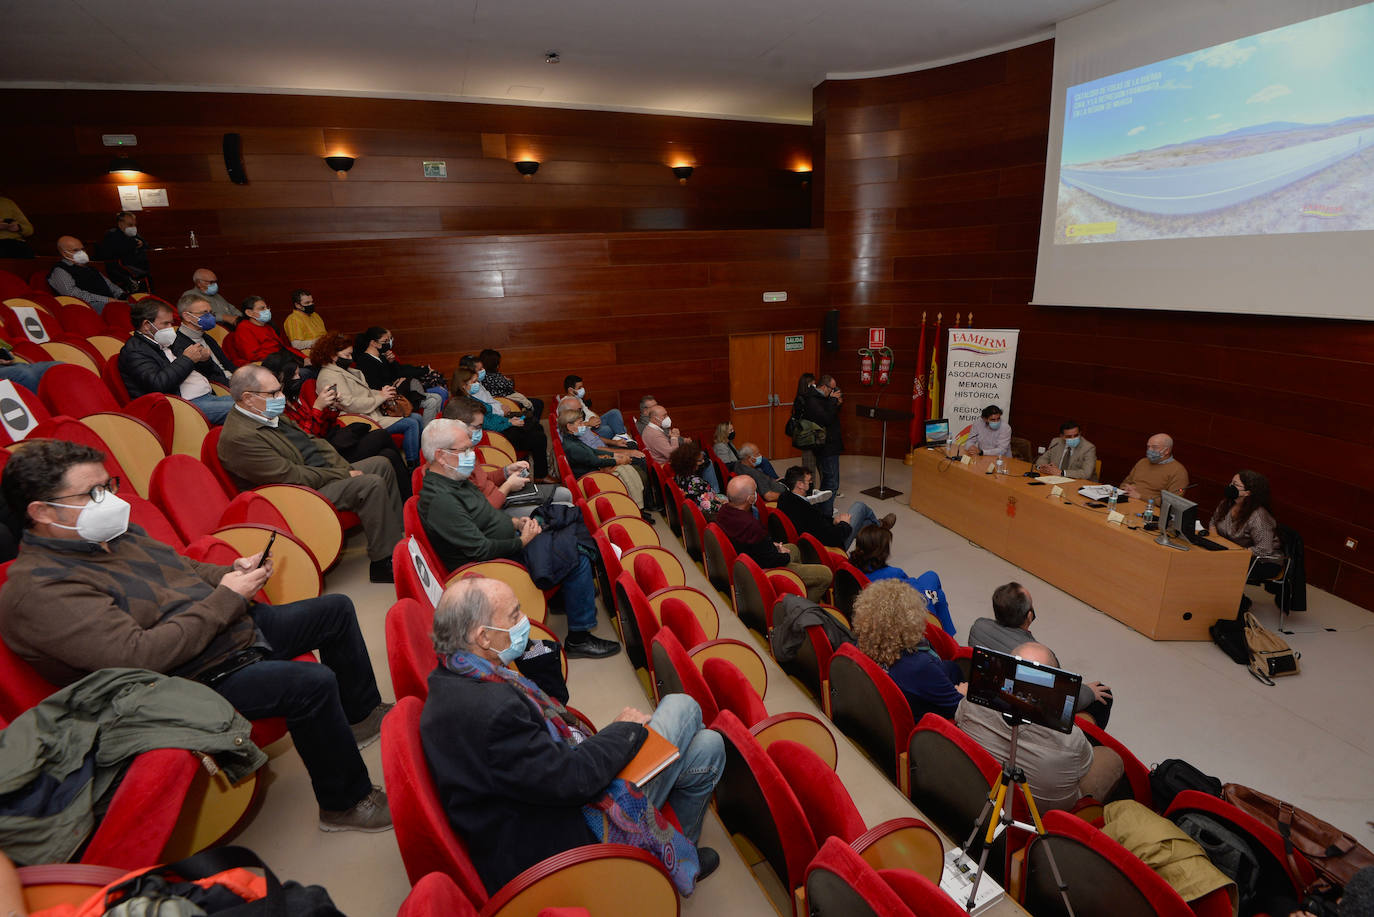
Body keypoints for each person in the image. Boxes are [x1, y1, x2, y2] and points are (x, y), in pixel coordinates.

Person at [0, 439, 393, 832]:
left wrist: (230, 573)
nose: (111, 501)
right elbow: (140, 657)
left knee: (334, 610)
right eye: (94, 493)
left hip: (218, 633)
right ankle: (345, 803)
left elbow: (180, 567)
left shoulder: (108, 534)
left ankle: (359, 715)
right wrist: (227, 599)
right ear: (42, 511)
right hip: (177, 680)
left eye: (110, 485)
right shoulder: (39, 589)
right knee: (312, 682)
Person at [420, 577, 722, 894]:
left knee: (708, 747)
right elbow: (573, 780)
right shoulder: (493, 711)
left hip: (543, 794)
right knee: (682, 705)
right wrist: (625, 729)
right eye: (513, 615)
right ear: (482, 637)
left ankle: (669, 862)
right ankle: (652, 867)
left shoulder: (455, 676)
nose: (524, 621)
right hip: (567, 833)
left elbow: (545, 761)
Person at [418, 420, 619, 659]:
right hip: (495, 564)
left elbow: (487, 514)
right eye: (465, 450)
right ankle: (579, 637)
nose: (472, 455)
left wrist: (516, 523)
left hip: (508, 542)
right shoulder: (442, 500)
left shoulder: (454, 479)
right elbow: (480, 550)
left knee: (567, 527)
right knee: (575, 556)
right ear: (441, 456)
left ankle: (563, 596)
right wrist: (522, 541)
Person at [219, 365, 403, 583]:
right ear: (248, 398)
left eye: (280, 390)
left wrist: (343, 468)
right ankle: (383, 562)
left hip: (318, 474)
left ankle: (397, 541)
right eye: (273, 393)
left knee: (381, 464)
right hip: (297, 494)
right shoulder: (238, 438)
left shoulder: (265, 413)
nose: (281, 397)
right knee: (369, 483)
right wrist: (343, 475)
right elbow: (289, 476)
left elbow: (315, 442)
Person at [956, 642, 1125, 812]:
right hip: (1041, 815)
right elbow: (1084, 767)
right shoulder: (1071, 740)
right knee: (1111, 759)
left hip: (979, 790)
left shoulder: (970, 704)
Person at [263, 351, 410, 499]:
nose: (299, 378)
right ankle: (408, 495)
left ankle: (406, 499)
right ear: (281, 379)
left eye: (298, 373)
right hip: (321, 458)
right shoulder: (276, 409)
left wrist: (331, 408)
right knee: (381, 436)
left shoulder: (293, 400)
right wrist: (318, 408)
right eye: (294, 375)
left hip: (329, 444)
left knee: (388, 455)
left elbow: (324, 428)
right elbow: (307, 440)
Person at [966, 582, 1113, 727]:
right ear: (1029, 616)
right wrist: (1088, 692)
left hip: (989, 694)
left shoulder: (978, 627)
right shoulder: (1039, 655)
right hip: (1022, 714)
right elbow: (1058, 699)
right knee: (1104, 693)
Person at [853, 580, 967, 720]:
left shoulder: (861, 643)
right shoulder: (919, 666)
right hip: (923, 717)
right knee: (955, 669)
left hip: (888, 708)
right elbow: (960, 710)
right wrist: (962, 693)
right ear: (911, 620)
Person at [443, 396, 571, 513]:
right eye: (478, 427)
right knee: (567, 505)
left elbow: (482, 478)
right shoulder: (453, 463)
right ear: (458, 426)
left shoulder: (466, 450)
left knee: (565, 494)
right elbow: (481, 511)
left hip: (498, 493)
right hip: (497, 509)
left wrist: (506, 471)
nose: (481, 432)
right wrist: (508, 486)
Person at [118, 299, 236, 424]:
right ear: (147, 325)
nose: (171, 328)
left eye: (171, 323)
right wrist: (187, 359)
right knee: (246, 410)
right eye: (166, 324)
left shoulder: (166, 341)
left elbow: (202, 370)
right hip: (182, 405)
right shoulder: (134, 351)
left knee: (252, 402)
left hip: (207, 396)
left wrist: (204, 360)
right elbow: (158, 383)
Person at [314, 332, 424, 465]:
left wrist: (383, 393)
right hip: (358, 418)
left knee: (417, 418)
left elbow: (365, 392)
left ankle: (419, 458)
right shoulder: (329, 376)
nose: (351, 358)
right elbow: (348, 404)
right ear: (332, 356)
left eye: (351, 354)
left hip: (369, 412)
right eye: (347, 355)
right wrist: (381, 397)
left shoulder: (344, 370)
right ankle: (413, 464)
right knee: (411, 423)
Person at [716, 476, 832, 602]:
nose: (756, 494)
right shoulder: (751, 525)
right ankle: (802, 609)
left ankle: (793, 590)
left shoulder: (724, 511)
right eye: (755, 491)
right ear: (749, 499)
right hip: (761, 570)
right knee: (825, 574)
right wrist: (782, 554)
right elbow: (771, 560)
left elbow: (755, 544)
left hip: (749, 557)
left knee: (793, 548)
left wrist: (772, 546)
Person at [848, 524, 956, 635]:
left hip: (873, 608)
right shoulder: (892, 573)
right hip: (907, 609)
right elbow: (916, 593)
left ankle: (947, 636)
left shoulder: (851, 565)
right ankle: (944, 638)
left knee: (937, 595)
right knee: (933, 581)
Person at [452, 366, 549, 478]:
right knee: (539, 438)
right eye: (474, 382)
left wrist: (508, 420)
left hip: (500, 426)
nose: (477, 384)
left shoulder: (469, 396)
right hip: (495, 435)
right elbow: (486, 424)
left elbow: (491, 416)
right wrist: (509, 423)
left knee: (536, 427)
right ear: (463, 385)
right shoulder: (465, 404)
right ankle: (541, 476)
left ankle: (539, 470)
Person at [777, 465, 891, 551]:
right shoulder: (806, 511)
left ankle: (877, 530)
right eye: (809, 481)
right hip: (832, 545)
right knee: (860, 507)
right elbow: (832, 538)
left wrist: (833, 520)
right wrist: (844, 524)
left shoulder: (784, 498)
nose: (811, 483)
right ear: (800, 484)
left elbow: (818, 524)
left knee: (865, 523)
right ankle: (881, 527)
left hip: (812, 538)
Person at [558, 406, 648, 512]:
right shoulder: (572, 446)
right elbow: (595, 461)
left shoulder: (573, 439)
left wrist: (615, 456)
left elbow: (594, 452)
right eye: (580, 423)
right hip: (592, 477)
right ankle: (637, 508)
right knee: (633, 471)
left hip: (596, 469)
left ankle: (638, 508)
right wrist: (617, 461)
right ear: (569, 427)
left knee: (631, 470)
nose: (583, 426)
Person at [355, 327, 444, 424]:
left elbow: (397, 373)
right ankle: (427, 434)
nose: (388, 344)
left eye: (388, 340)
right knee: (432, 401)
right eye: (385, 341)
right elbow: (374, 386)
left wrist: (392, 363)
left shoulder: (383, 357)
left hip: (398, 393)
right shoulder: (365, 361)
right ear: (373, 343)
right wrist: (395, 384)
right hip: (388, 400)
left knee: (437, 397)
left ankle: (433, 429)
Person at [1209, 470, 1284, 583]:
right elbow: (1213, 522)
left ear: (1247, 493)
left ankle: (1236, 599)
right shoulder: (1227, 503)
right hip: (1233, 553)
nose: (1230, 486)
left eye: (1235, 485)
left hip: (1263, 562)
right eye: (1231, 483)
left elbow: (1264, 549)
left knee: (1221, 567)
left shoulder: (1258, 516)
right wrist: (1214, 540)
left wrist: (1236, 553)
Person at [172, 291, 236, 388]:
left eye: (211, 313)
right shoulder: (179, 344)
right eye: (204, 313)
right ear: (187, 316)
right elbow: (209, 377)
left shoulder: (205, 336)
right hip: (222, 387)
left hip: (233, 380)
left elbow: (227, 364)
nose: (210, 317)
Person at [802, 374, 844, 512]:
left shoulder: (823, 398)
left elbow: (830, 416)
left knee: (828, 480)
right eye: (832, 389)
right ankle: (825, 513)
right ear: (824, 387)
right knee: (831, 482)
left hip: (830, 445)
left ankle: (825, 509)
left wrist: (836, 403)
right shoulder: (813, 399)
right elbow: (825, 419)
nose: (834, 391)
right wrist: (832, 401)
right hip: (826, 448)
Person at [47, 236, 123, 312]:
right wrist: (107, 300)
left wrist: (122, 295)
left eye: (83, 249)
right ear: (64, 253)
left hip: (110, 303)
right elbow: (72, 293)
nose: (82, 253)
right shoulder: (60, 270)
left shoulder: (90, 268)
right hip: (85, 308)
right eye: (76, 250)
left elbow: (109, 285)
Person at [229, 295, 304, 364]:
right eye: (262, 308)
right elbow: (253, 356)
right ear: (249, 313)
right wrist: (283, 359)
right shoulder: (244, 328)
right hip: (269, 365)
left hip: (282, 361)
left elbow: (282, 347)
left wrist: (303, 358)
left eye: (267, 307)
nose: (267, 310)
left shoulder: (268, 326)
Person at [1120, 433, 1189, 504]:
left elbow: (1172, 502)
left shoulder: (1178, 471)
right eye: (1148, 447)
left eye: (1154, 447)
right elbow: (1125, 483)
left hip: (1149, 508)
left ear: (1166, 451)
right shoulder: (1143, 461)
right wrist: (1126, 488)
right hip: (1127, 500)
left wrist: (1140, 496)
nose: (1149, 450)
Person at [93, 211, 151, 295]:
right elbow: (113, 252)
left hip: (135, 264)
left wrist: (141, 244)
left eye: (135, 225)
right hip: (119, 266)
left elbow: (146, 245)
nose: (133, 227)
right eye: (130, 225)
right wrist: (133, 244)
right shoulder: (111, 235)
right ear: (120, 224)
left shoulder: (133, 234)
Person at [477, 349, 542, 421]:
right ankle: (530, 422)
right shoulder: (494, 376)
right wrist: (510, 380)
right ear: (496, 364)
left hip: (500, 401)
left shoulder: (480, 377)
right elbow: (509, 385)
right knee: (538, 403)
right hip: (507, 401)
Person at [563, 374, 630, 444]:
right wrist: (588, 423)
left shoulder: (578, 398)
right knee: (613, 429)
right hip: (586, 431)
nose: (582, 389)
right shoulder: (567, 404)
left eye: (582, 386)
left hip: (592, 424)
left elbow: (588, 411)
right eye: (579, 388)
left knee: (614, 412)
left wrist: (595, 418)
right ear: (571, 390)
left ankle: (622, 437)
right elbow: (571, 428)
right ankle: (623, 439)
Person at [670, 440, 725, 518]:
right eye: (699, 461)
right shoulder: (696, 483)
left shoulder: (678, 476)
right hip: (707, 516)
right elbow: (710, 508)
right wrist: (724, 505)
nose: (703, 462)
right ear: (689, 463)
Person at [714, 422, 780, 479]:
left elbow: (736, 455)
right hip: (737, 469)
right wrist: (744, 462)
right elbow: (726, 466)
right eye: (730, 430)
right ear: (724, 433)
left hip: (739, 465)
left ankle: (775, 479)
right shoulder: (720, 446)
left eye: (733, 429)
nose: (733, 431)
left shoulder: (728, 442)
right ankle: (776, 480)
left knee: (762, 459)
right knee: (761, 465)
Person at [791, 372, 819, 478]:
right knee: (809, 464)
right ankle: (809, 489)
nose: (815, 384)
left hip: (812, 434)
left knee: (815, 463)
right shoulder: (803, 399)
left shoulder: (807, 397)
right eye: (813, 382)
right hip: (807, 435)